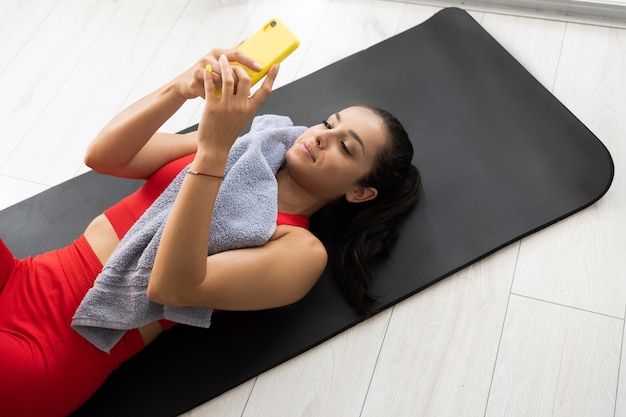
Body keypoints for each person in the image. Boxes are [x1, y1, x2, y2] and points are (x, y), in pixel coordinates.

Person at [0, 47, 421, 416]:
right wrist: (180, 88)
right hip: (22, 277)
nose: (322, 137)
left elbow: (174, 287)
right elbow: (105, 156)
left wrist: (214, 150)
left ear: (361, 192)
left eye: (347, 147)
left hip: (55, 351)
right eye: (329, 124)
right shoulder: (242, 150)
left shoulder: (300, 248)